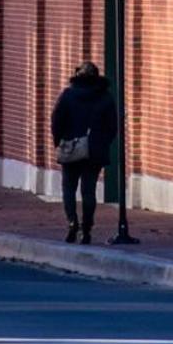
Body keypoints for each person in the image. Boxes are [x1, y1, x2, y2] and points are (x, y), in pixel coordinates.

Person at [50, 59, 117, 245]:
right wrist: (102, 143)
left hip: (71, 147)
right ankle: (86, 229)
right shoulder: (105, 97)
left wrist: (59, 142)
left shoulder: (68, 95)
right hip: (94, 150)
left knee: (68, 188)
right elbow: (112, 126)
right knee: (89, 190)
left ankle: (72, 222)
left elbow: (56, 121)